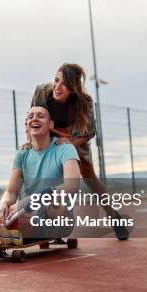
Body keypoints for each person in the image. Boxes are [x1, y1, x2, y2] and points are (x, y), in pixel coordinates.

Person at [0, 106, 81, 255]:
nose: (34, 118)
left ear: (51, 125)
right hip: (26, 215)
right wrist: (2, 204)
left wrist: (27, 201)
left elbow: (72, 186)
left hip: (56, 216)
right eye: (30, 116)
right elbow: (11, 191)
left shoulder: (65, 148)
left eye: (40, 116)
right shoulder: (22, 153)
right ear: (27, 124)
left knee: (52, 198)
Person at [29, 63, 129, 240]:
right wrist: (30, 143)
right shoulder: (42, 92)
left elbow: (89, 132)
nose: (58, 87)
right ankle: (49, 222)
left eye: (64, 84)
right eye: (56, 80)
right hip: (48, 135)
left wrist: (69, 142)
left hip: (76, 138)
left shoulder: (85, 102)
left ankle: (114, 217)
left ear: (73, 89)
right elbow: (34, 119)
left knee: (91, 181)